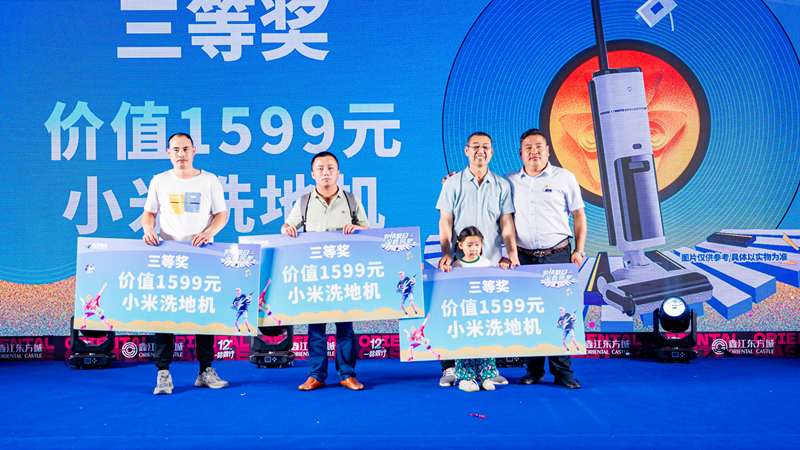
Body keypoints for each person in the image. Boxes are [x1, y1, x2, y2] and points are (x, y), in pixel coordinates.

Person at [142, 132, 229, 395]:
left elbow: (221, 214)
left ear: (194, 151)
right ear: (168, 153)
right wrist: (148, 230)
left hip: (202, 255)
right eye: (176, 149)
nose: (181, 154)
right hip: (169, 257)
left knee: (204, 311)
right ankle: (163, 373)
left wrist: (209, 233)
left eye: (185, 149)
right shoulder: (159, 181)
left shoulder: (209, 180)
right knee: (165, 314)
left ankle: (205, 370)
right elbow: (149, 213)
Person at [436, 131, 519, 387]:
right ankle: (451, 367)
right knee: (456, 314)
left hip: (490, 263)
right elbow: (445, 220)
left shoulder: (502, 185)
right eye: (475, 147)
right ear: (466, 151)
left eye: (485, 147)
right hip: (459, 265)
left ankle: (487, 369)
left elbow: (506, 223)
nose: (480, 151)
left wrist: (511, 253)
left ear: (491, 152)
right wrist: (446, 252)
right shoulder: (452, 184)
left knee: (486, 316)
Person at [281, 151, 370, 391]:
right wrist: (287, 228)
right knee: (316, 330)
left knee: (346, 329)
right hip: (316, 276)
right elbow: (287, 226)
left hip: (345, 274)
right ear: (313, 174)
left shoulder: (351, 200)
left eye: (330, 168)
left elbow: (368, 230)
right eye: (320, 168)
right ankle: (316, 375)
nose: (325, 172)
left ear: (338, 172)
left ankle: (347, 375)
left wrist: (357, 229)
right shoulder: (304, 202)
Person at [505, 128, 586, 389]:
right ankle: (534, 370)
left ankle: (562, 373)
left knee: (560, 313)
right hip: (523, 259)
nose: (534, 151)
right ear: (520, 154)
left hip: (558, 256)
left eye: (539, 146)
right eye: (528, 147)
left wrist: (579, 250)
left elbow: (579, 215)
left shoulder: (564, 177)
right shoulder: (509, 180)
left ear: (548, 150)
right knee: (530, 313)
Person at [451, 227, 503, 392]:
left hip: (483, 313)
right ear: (460, 245)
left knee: (485, 345)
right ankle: (466, 379)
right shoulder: (457, 265)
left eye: (477, 245)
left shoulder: (487, 263)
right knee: (464, 345)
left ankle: (486, 376)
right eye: (469, 245)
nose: (473, 249)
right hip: (464, 313)